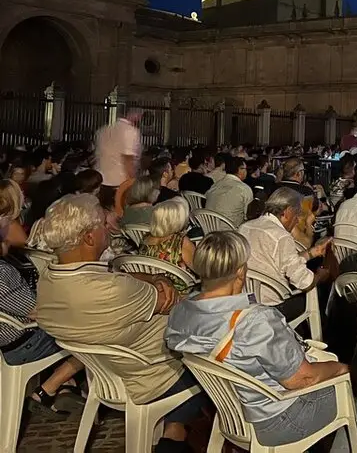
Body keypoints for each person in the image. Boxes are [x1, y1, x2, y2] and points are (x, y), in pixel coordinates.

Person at [165, 231, 357, 452]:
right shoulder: (254, 321)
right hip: (280, 417)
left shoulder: (181, 311)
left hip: (232, 410)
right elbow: (303, 379)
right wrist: (344, 369)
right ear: (240, 271)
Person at [34, 194, 205, 453]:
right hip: (157, 374)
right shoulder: (114, 291)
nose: (109, 229)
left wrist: (155, 276)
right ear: (89, 238)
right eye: (103, 224)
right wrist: (161, 281)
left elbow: (115, 274)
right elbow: (174, 302)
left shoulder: (47, 283)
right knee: (215, 361)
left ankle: (174, 430)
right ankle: (175, 432)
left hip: (104, 373)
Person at [0, 181, 85, 418]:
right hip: (24, 342)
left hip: (19, 339)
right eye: (10, 219)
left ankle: (66, 388)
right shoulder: (2, 271)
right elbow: (38, 311)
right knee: (97, 332)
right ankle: (48, 389)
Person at [238, 187, 334, 318]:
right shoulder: (281, 236)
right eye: (297, 215)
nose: (297, 220)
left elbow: (283, 261)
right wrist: (320, 276)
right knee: (321, 292)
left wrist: (312, 253)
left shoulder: (245, 227)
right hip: (274, 305)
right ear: (288, 212)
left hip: (246, 299)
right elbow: (304, 282)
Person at [139, 197, 196, 293]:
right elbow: (200, 269)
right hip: (180, 294)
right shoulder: (180, 242)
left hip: (154, 290)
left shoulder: (145, 239)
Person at [95, 109, 143, 212]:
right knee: (119, 215)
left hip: (101, 180)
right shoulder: (130, 131)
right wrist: (131, 182)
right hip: (120, 182)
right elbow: (128, 158)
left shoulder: (104, 129)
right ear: (134, 115)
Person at [205, 156, 253, 227]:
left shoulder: (215, 185)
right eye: (245, 169)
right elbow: (249, 215)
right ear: (240, 170)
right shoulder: (244, 189)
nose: (246, 172)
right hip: (230, 231)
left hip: (208, 227)